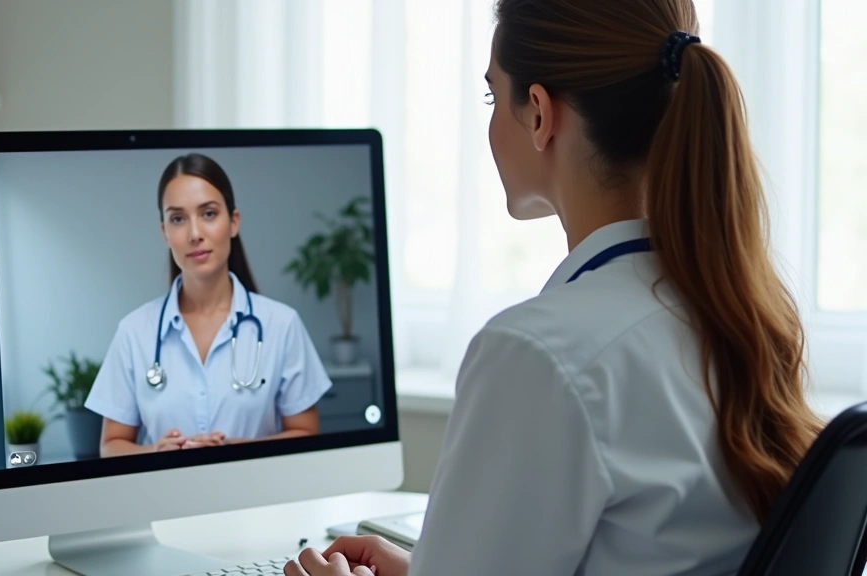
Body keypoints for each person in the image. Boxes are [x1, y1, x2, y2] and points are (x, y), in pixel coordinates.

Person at [285, 0, 825, 574]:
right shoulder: (736, 315)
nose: (491, 123)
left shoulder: (539, 353)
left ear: (539, 113)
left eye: (494, 97)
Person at [84, 153, 334, 456]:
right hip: (164, 499)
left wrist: (236, 451)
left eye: (209, 214)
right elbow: (110, 446)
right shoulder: (134, 331)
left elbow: (306, 434)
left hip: (256, 497)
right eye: (178, 219)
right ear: (165, 232)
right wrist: (156, 454)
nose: (195, 234)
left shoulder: (282, 325)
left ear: (233, 222)